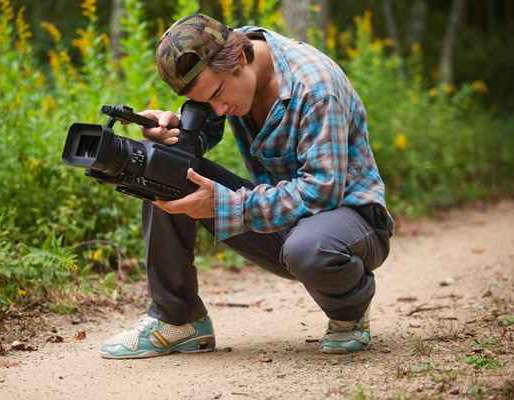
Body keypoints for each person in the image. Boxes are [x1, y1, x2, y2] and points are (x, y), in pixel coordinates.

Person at [99, 13, 393, 359]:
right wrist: (175, 130)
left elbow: (320, 192)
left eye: (219, 95)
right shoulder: (221, 57)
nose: (220, 109)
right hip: (280, 220)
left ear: (240, 57)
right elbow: (206, 127)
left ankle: (349, 312)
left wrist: (225, 205)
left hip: (347, 225)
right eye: (207, 102)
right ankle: (179, 321)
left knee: (309, 248)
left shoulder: (315, 87)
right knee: (165, 170)